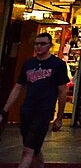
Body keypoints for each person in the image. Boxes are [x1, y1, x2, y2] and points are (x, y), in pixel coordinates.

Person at [2, 32, 70, 168]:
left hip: (44, 111)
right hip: (27, 110)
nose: (39, 47)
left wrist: (60, 117)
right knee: (34, 148)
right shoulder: (29, 64)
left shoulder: (58, 65)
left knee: (27, 150)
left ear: (50, 45)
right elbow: (18, 87)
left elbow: (62, 91)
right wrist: (5, 110)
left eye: (43, 44)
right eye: (37, 44)